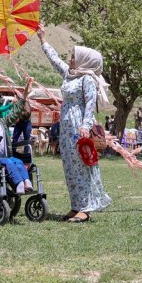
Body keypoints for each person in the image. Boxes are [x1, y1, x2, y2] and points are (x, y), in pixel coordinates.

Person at [39, 29, 112, 223]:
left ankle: (85, 208)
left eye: (74, 56)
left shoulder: (87, 79)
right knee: (70, 167)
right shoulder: (70, 76)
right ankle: (75, 205)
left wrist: (85, 125)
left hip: (79, 126)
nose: (71, 59)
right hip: (66, 127)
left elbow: (90, 103)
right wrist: (43, 40)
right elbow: (55, 61)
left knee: (81, 165)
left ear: (85, 60)